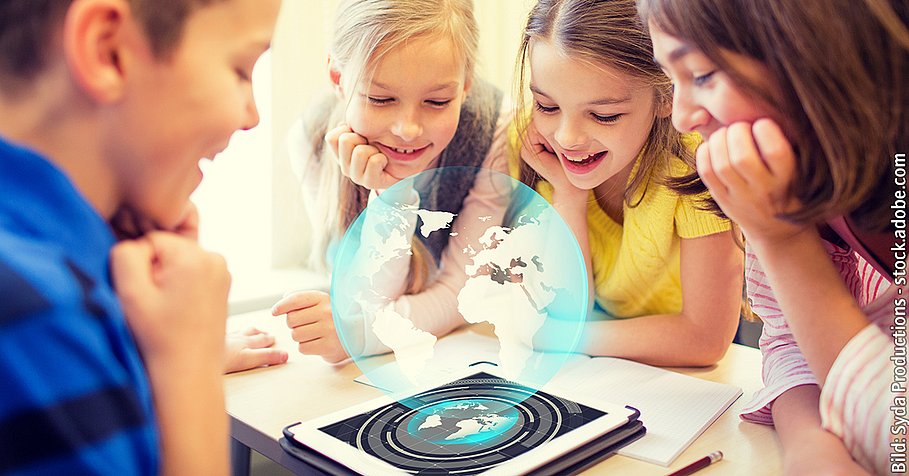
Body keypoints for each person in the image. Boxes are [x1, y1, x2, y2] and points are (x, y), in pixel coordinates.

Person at [0, 0, 281, 473]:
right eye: (239, 69)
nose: (251, 115)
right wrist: (189, 364)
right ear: (108, 51)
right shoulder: (36, 312)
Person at [641, 0, 908, 473]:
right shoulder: (789, 176)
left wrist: (781, 240)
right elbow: (789, 341)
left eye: (702, 74)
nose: (681, 117)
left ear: (821, 53)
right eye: (671, 78)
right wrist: (811, 444)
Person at [507, 0, 743, 366]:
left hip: (674, 377)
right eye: (547, 106)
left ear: (667, 96)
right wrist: (569, 195)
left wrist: (562, 335)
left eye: (604, 115)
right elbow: (562, 307)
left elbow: (705, 338)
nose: (567, 137)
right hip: (594, 370)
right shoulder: (535, 147)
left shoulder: (695, 164)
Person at [272, 0, 509, 363]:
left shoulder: (496, 128)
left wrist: (363, 334)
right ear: (338, 78)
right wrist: (391, 197)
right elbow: (364, 299)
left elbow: (462, 294)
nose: (407, 129)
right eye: (380, 99)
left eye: (437, 101)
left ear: (465, 83)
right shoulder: (310, 139)